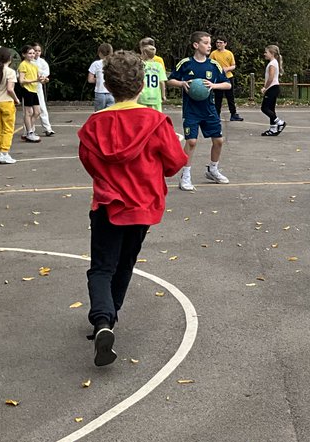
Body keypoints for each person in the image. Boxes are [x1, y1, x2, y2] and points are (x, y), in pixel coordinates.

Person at [78, 50, 188, 366]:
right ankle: (108, 317)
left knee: (102, 267)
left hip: (107, 205)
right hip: (142, 206)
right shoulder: (156, 122)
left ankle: (103, 320)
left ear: (108, 85)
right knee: (125, 262)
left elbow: (89, 163)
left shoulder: (94, 124)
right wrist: (178, 145)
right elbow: (174, 165)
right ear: (141, 85)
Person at [167, 30, 232, 190]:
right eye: (206, 43)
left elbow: (227, 84)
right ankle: (186, 175)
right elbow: (170, 80)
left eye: (210, 43)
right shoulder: (185, 64)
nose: (209, 46)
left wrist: (214, 85)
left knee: (218, 141)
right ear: (196, 45)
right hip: (191, 110)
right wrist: (181, 83)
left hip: (209, 109)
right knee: (191, 141)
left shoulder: (214, 65)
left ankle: (213, 169)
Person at [0, 46, 20, 164]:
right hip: (6, 102)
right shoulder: (11, 72)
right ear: (10, 59)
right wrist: (16, 99)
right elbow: (10, 89)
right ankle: (4, 152)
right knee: (8, 128)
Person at [210, 37, 244, 121]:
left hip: (228, 77)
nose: (218, 44)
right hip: (218, 78)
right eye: (217, 42)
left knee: (230, 97)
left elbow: (233, 65)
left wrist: (227, 69)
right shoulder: (213, 53)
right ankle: (216, 115)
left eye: (220, 42)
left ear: (225, 44)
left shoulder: (229, 53)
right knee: (218, 97)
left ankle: (233, 114)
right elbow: (210, 64)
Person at [17, 45, 42, 142]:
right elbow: (21, 80)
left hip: (33, 90)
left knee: (37, 112)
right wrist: (35, 80)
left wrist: (43, 79)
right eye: (30, 53)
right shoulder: (23, 65)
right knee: (29, 112)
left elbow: (38, 78)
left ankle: (29, 130)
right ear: (24, 54)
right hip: (27, 89)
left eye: (33, 53)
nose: (32, 55)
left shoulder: (34, 65)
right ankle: (29, 132)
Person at [260, 44, 286, 135]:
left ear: (272, 53)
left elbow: (271, 78)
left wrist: (265, 88)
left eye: (266, 52)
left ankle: (280, 122)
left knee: (264, 108)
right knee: (271, 109)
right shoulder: (274, 62)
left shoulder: (272, 64)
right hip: (274, 88)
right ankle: (273, 129)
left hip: (272, 88)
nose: (264, 54)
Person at [31, 44, 55, 136]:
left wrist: (43, 78)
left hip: (38, 87)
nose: (37, 53)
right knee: (30, 111)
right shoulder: (27, 62)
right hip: (28, 87)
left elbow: (46, 73)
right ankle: (30, 130)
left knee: (42, 108)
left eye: (39, 51)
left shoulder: (42, 62)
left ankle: (47, 128)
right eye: (35, 51)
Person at [138, 38, 167, 113]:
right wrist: (163, 95)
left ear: (144, 54)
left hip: (143, 95)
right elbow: (162, 82)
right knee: (157, 115)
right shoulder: (159, 65)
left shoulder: (141, 65)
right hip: (156, 96)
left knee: (143, 115)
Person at [88, 42, 114, 111]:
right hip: (111, 93)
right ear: (111, 53)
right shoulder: (113, 63)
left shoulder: (95, 64)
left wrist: (98, 79)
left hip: (100, 93)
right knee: (110, 114)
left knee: (99, 114)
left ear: (99, 53)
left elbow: (90, 80)